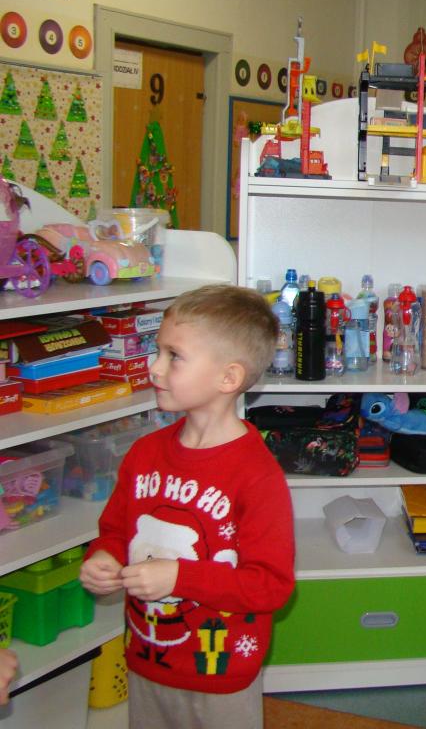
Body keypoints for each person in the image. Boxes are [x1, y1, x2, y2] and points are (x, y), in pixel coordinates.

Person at [79, 285, 295, 729]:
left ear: (228, 378)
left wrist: (180, 577)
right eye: (157, 351)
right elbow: (115, 531)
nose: (154, 367)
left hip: (220, 672)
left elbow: (270, 586)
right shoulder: (144, 453)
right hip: (146, 658)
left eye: (173, 356)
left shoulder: (258, 476)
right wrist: (104, 558)